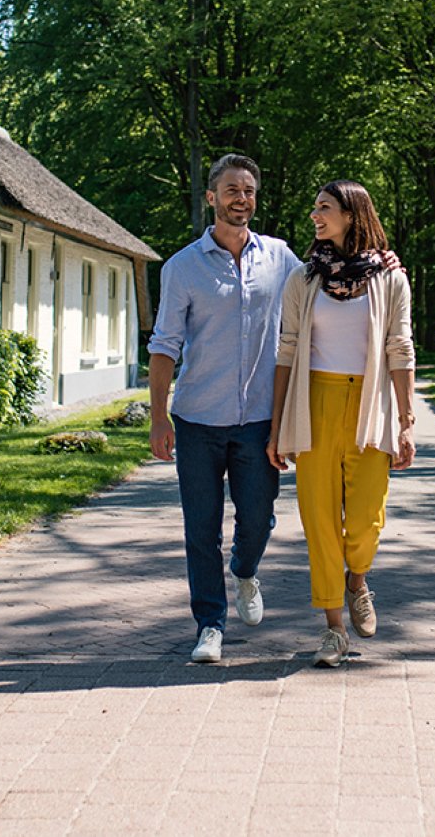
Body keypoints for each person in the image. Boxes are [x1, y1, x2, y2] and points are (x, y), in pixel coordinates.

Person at [148, 154, 303, 663]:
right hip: (197, 419)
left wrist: (379, 262)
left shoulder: (282, 259)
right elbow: (165, 344)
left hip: (260, 419)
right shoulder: (182, 267)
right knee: (201, 528)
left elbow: (325, 290)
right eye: (232, 190)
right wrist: (158, 416)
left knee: (258, 518)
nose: (243, 199)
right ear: (211, 197)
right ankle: (209, 626)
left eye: (250, 190)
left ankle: (244, 571)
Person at [268, 180, 416, 668]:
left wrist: (407, 421)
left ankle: (358, 580)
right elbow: (287, 349)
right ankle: (333, 629)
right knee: (319, 520)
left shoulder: (390, 279)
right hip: (315, 405)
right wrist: (277, 426)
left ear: (352, 215)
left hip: (370, 404)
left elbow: (400, 349)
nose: (315, 215)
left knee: (366, 522)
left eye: (325, 208)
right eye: (315, 207)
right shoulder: (303, 280)